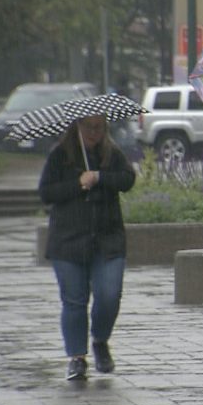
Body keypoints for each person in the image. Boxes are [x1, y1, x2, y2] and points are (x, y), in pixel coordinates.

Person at [39, 115, 136, 381]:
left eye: (99, 127)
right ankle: (77, 357)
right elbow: (47, 193)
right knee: (74, 300)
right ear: (77, 128)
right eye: (88, 127)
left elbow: (127, 179)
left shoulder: (112, 153)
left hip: (106, 240)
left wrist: (100, 177)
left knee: (109, 294)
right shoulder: (60, 155)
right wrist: (77, 184)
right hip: (69, 241)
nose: (94, 132)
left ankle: (100, 340)